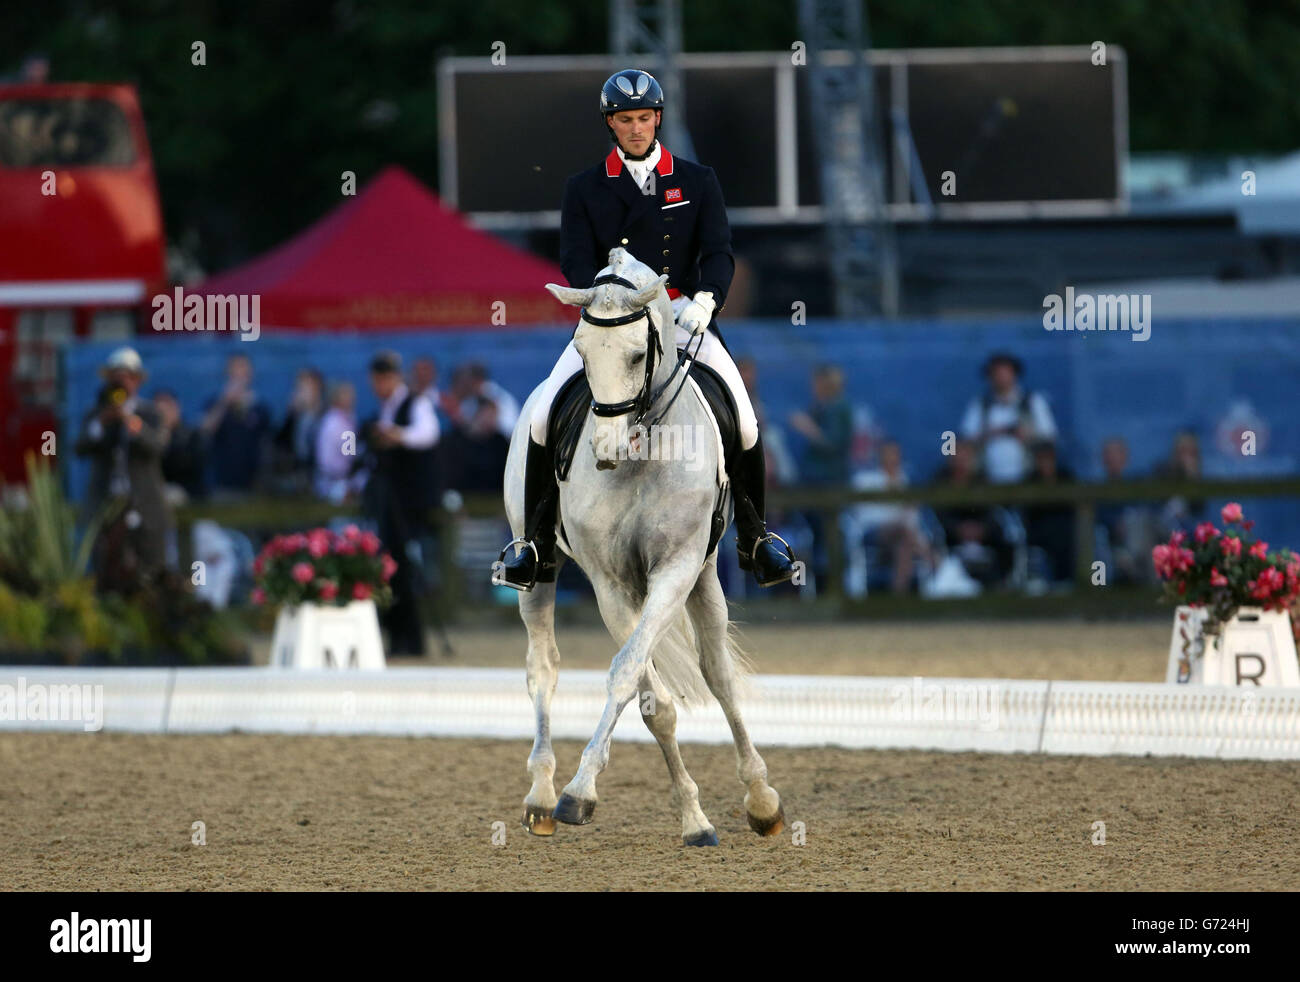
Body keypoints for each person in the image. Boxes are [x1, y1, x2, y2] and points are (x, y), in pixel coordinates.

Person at [495, 68, 797, 590]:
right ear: (610, 123)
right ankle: (534, 543)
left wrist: (707, 299)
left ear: (657, 119)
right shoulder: (585, 188)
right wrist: (609, 301)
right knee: (543, 414)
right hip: (613, 324)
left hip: (682, 318)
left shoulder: (697, 180)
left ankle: (756, 536)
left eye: (644, 118)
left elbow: (719, 252)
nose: (636, 128)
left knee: (745, 420)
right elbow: (573, 260)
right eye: (625, 120)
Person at [74, 347, 172, 587]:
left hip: (145, 508)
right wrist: (103, 422)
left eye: (127, 377)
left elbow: (158, 446)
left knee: (151, 574)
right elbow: (80, 447)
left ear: (137, 381)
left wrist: (133, 425)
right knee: (107, 574)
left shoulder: (149, 413)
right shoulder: (96, 414)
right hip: (106, 508)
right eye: (116, 377)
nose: (121, 383)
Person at [362, 351, 439, 655]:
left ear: (391, 378)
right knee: (392, 569)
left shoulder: (415, 404)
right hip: (389, 502)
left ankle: (411, 640)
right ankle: (397, 637)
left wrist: (396, 436)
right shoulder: (386, 409)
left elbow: (427, 435)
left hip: (408, 503)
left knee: (406, 569)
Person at [960, 352, 1057, 484]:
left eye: (1005, 372)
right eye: (996, 373)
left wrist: (1028, 435)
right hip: (986, 480)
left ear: (1015, 374)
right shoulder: (979, 405)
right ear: (989, 376)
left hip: (1030, 479)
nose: (1001, 377)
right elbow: (965, 442)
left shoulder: (1033, 402)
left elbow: (1049, 437)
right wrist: (993, 433)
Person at [200, 353, 272, 496]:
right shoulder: (216, 402)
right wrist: (225, 402)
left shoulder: (260, 406)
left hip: (253, 482)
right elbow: (205, 430)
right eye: (235, 369)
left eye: (243, 369)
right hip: (221, 480)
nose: (239, 375)